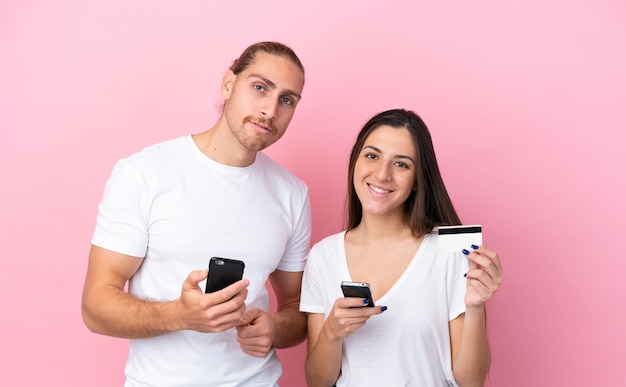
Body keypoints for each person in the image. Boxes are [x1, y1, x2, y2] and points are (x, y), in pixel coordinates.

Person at [81, 41, 311, 387]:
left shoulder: (292, 193)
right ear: (229, 84)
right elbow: (95, 306)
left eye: (287, 99)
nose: (270, 109)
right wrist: (179, 315)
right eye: (260, 87)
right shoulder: (145, 172)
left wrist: (275, 327)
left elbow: (296, 306)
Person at [300, 109, 503, 387]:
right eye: (372, 156)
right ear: (355, 162)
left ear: (418, 180)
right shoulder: (323, 257)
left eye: (401, 164)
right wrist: (332, 333)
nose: (382, 174)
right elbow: (316, 382)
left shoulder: (449, 252)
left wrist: (476, 307)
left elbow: (471, 381)